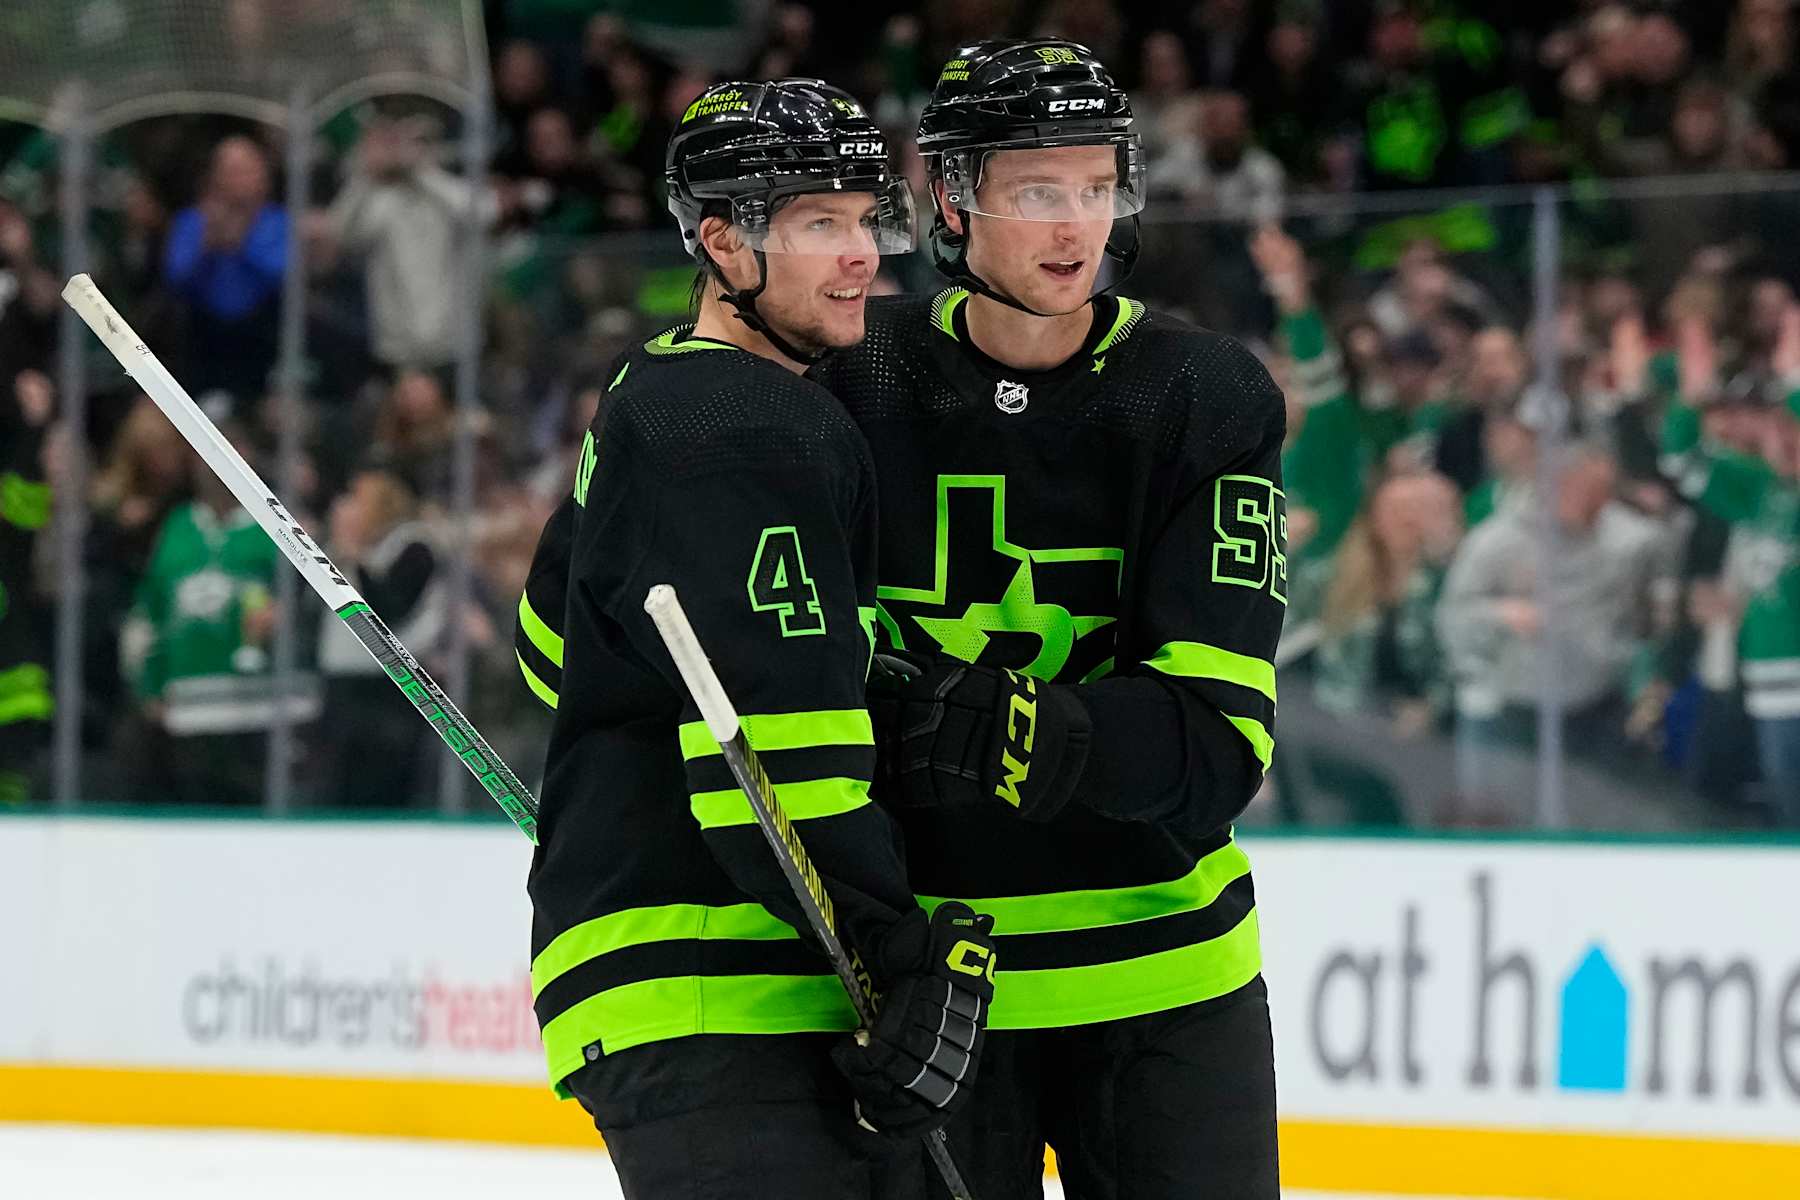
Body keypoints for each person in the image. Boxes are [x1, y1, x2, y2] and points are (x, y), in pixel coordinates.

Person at [805, 40, 1284, 1198]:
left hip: (1168, 990)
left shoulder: (1201, 392)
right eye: (1035, 193)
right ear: (954, 203)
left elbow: (1215, 749)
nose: (1075, 225)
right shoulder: (845, 379)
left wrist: (1000, 726)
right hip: (934, 987)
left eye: (1093, 187)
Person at [512, 80, 995, 1199]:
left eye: (867, 220)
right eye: (818, 223)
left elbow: (557, 658)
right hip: (733, 984)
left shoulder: (652, 394)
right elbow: (773, 752)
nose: (862, 254)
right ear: (723, 243)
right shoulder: (746, 423)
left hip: (664, 982)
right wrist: (897, 946)